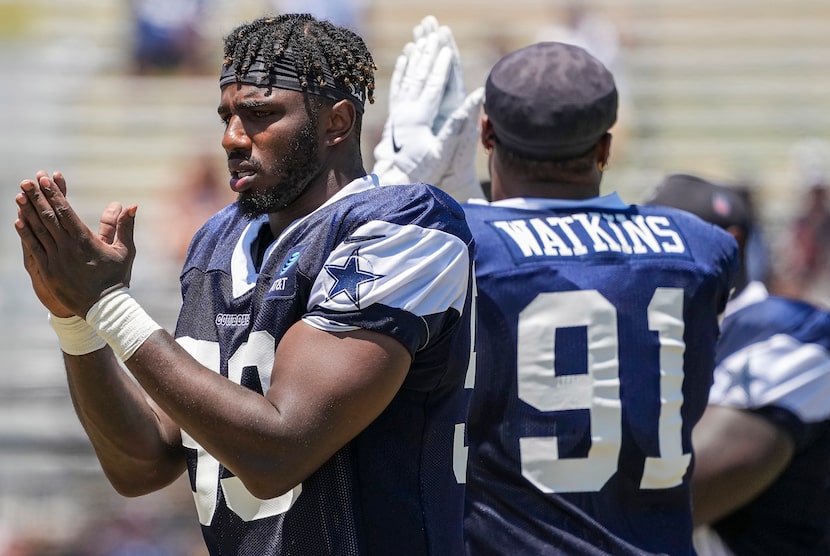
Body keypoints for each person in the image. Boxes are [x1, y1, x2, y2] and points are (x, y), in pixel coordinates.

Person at [14, 13, 474, 555]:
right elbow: (143, 464)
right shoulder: (220, 240)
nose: (233, 137)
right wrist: (77, 321)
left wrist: (111, 306)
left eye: (259, 114)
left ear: (337, 122)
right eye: (227, 116)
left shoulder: (403, 228)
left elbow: (278, 452)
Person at [373, 21, 739, 555]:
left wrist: (396, 193)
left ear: (486, 135)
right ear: (606, 147)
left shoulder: (459, 244)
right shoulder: (701, 246)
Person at [646, 174, 830, 556]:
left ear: (728, 243)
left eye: (660, 243)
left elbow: (669, 504)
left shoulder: (786, 333)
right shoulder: (664, 338)